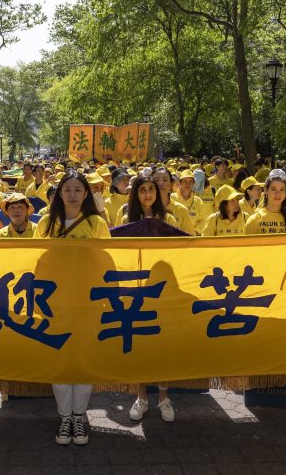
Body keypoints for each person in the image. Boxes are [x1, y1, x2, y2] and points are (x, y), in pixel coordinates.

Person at [35, 171, 110, 446]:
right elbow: (35, 261)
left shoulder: (96, 223)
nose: (73, 194)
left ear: (86, 193)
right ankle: (64, 416)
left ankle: (79, 416)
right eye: (68, 189)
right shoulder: (45, 222)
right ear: (59, 193)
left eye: (78, 189)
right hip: (55, 303)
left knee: (84, 359)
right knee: (60, 360)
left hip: (88, 301)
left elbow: (107, 261)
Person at [120, 174, 177, 422]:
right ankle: (141, 396)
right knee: (140, 342)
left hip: (164, 288)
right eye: (142, 189)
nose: (147, 194)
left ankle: (164, 397)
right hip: (135, 287)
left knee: (163, 345)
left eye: (151, 189)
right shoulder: (125, 220)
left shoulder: (169, 219)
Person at [244, 169, 286, 234]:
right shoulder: (253, 221)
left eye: (282, 190)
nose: (277, 194)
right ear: (266, 190)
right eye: (273, 189)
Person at [153, 167, 194, 234]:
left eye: (165, 180)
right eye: (157, 180)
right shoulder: (146, 209)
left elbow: (190, 238)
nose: (161, 183)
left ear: (171, 185)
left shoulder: (181, 210)